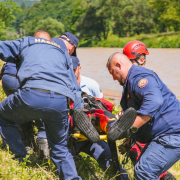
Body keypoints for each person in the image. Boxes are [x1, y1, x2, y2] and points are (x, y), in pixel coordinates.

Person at [0, 30, 88, 179]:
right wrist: (78, 114)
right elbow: (75, 87)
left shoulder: (27, 42)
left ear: (35, 38)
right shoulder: (61, 51)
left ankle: (21, 158)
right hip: (60, 101)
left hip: (32, 95)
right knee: (60, 148)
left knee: (3, 115)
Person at [106, 52, 180, 179]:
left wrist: (131, 128)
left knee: (144, 172)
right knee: (141, 170)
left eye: (112, 72)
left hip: (172, 133)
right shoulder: (130, 82)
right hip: (161, 135)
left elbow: (154, 101)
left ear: (119, 65)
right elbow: (134, 111)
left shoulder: (139, 76)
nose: (113, 77)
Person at [122, 40, 176, 180]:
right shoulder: (138, 78)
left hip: (167, 132)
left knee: (144, 171)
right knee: (142, 167)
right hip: (156, 132)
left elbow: (153, 104)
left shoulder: (143, 77)